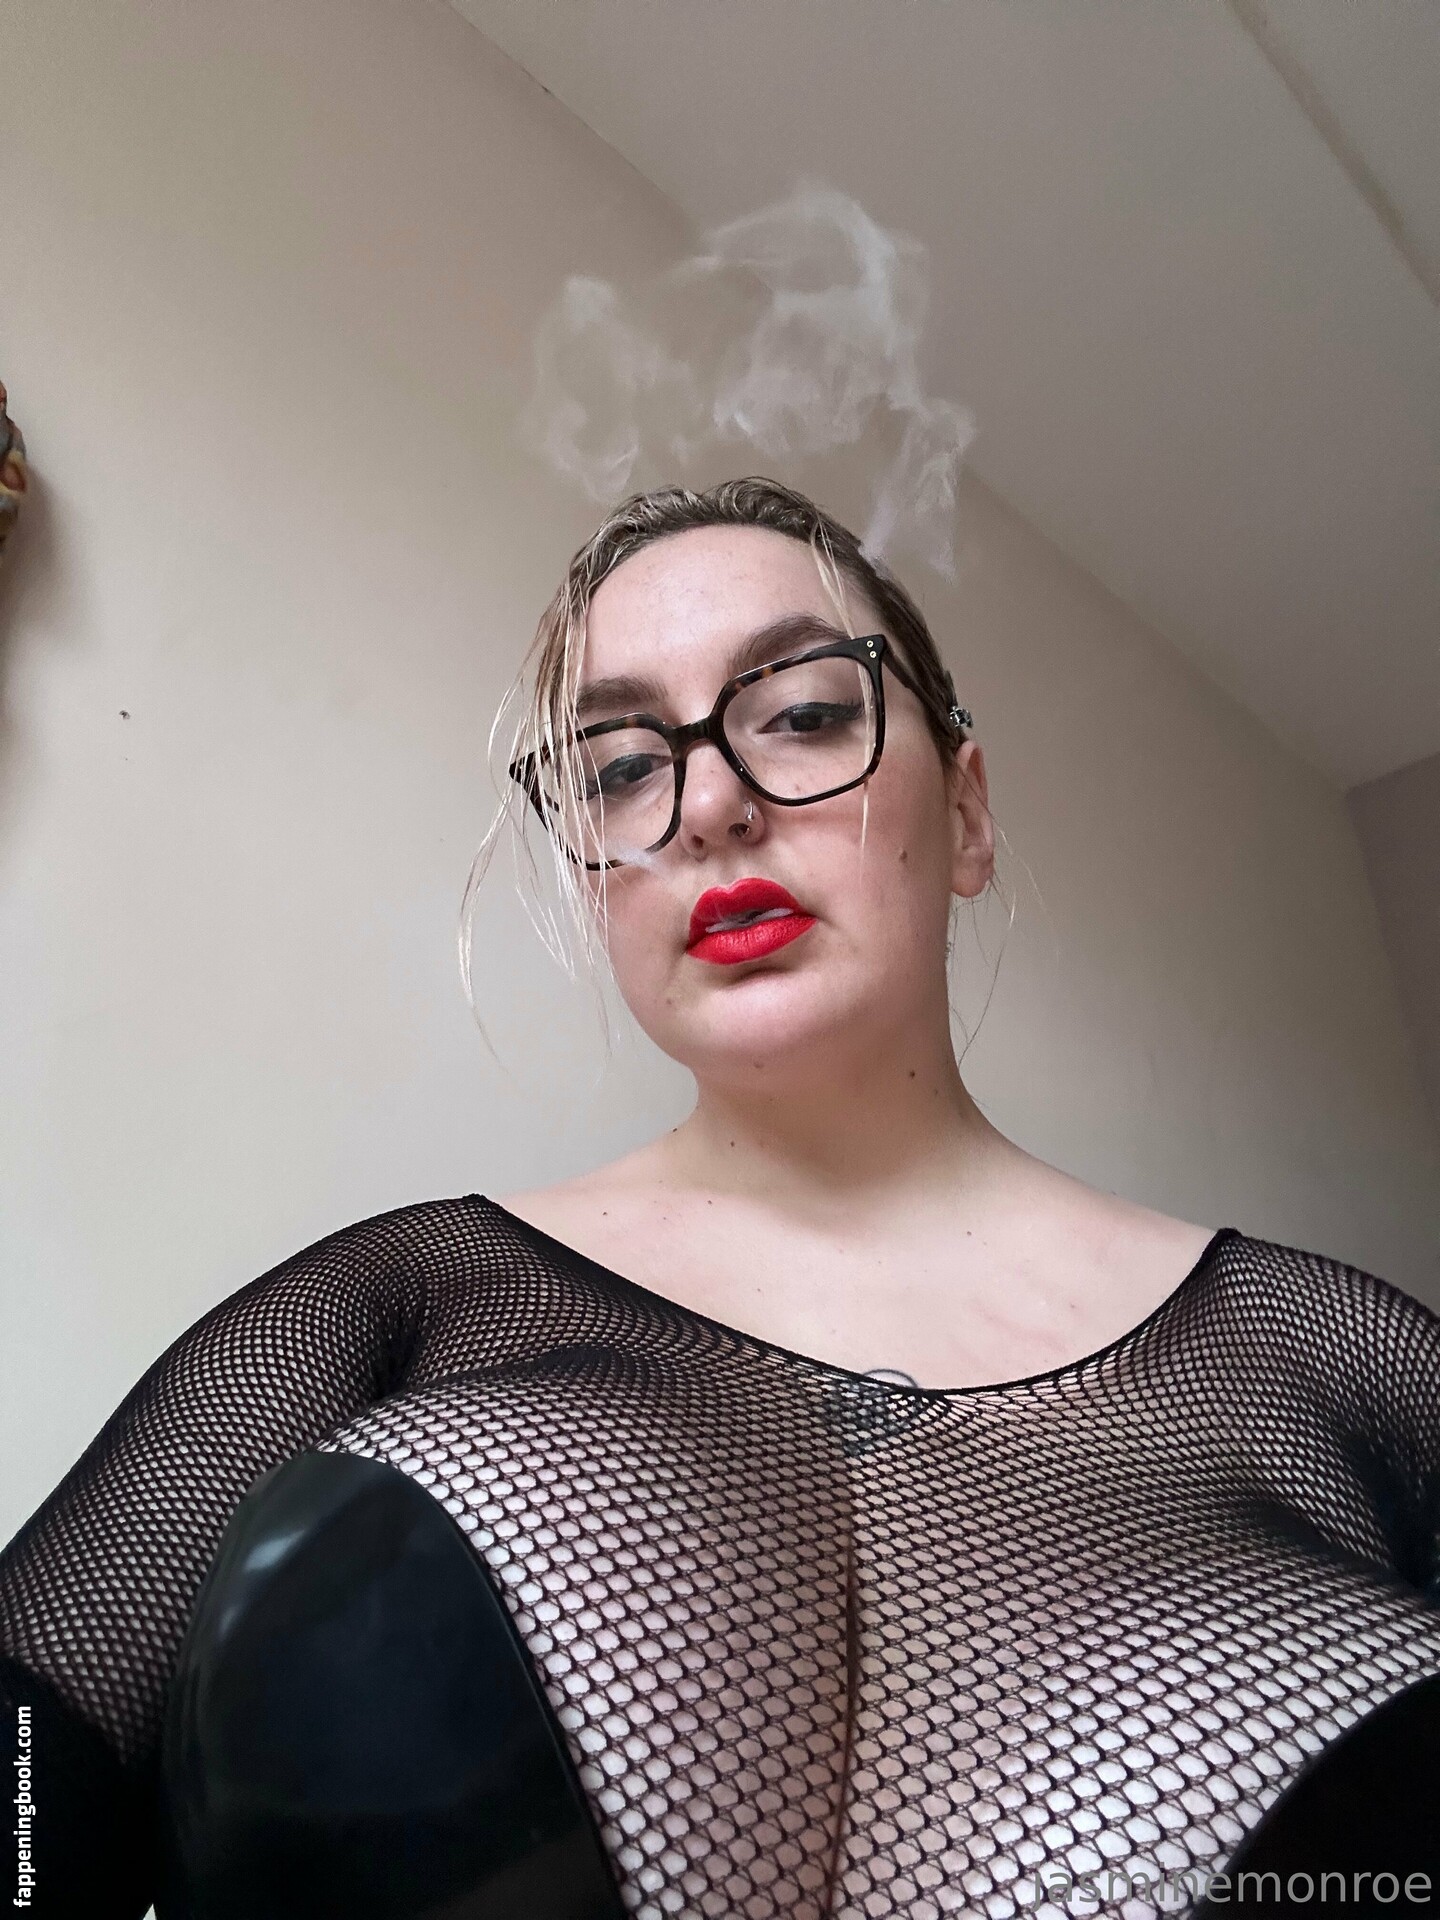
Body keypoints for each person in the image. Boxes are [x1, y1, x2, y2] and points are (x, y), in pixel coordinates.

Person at [3, 475, 1439, 1919]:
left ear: (969, 812)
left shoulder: (1347, 1358)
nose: (707, 807)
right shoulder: (385, 1306)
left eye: (804, 714)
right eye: (623, 767)